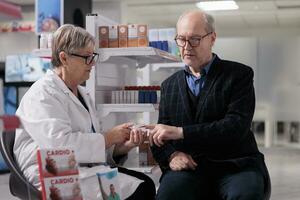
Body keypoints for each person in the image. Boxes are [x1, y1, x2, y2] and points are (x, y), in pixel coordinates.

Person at [14, 24, 155, 200]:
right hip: (51, 172)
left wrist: (119, 149)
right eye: (87, 57)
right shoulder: (42, 94)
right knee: (141, 190)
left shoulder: (83, 94)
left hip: (82, 168)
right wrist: (108, 138)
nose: (93, 63)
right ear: (64, 58)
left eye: (93, 56)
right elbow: (59, 147)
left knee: (145, 183)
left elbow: (91, 148)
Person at [148, 10, 270, 200]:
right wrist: (171, 156)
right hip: (191, 167)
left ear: (212, 38)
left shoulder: (239, 75)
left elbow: (236, 126)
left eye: (194, 39)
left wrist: (181, 132)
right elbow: (160, 136)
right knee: (167, 196)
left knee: (245, 195)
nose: (186, 47)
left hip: (236, 165)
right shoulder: (169, 85)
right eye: (181, 39)